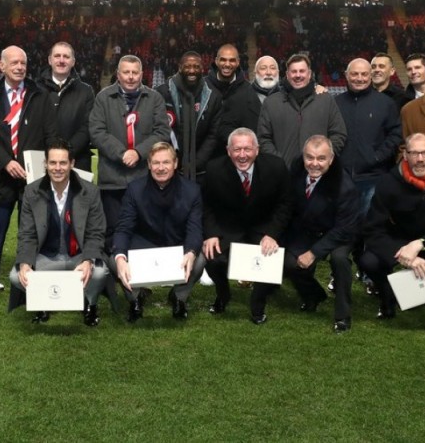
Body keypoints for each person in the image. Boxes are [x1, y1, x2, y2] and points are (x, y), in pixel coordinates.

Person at [359, 133, 425, 339]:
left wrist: (422, 244)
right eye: (414, 153)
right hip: (399, 242)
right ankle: (389, 298)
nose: (420, 159)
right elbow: (373, 229)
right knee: (368, 261)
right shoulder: (388, 182)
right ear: (405, 155)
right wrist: (403, 253)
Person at [0, 45, 58, 311]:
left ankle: (30, 288)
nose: (20, 67)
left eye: (23, 63)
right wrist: (5, 162)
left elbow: (50, 135)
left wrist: (47, 166)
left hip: (33, 179)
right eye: (14, 63)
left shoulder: (39, 95)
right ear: (1, 66)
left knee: (33, 235)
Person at [250, 135, 361, 331]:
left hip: (339, 233)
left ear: (331, 159)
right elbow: (287, 202)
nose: (314, 163)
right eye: (309, 157)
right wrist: (273, 233)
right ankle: (314, 296)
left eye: (321, 158)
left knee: (340, 260)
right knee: (289, 263)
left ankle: (342, 316)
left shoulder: (345, 187)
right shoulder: (297, 168)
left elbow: (344, 228)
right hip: (308, 228)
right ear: (303, 156)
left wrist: (313, 253)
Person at [10, 140, 108, 327]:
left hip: (78, 257)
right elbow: (27, 233)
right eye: (53, 163)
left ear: (72, 164)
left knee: (100, 272)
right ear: (45, 164)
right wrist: (25, 263)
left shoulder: (90, 191)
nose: (57, 168)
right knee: (16, 276)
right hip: (46, 257)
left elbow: (96, 232)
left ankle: (90, 304)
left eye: (63, 163)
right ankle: (43, 302)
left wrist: (88, 260)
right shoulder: (32, 192)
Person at [201, 128, 292, 320]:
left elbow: (285, 204)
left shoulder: (276, 167)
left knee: (270, 255)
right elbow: (207, 205)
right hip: (228, 229)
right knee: (212, 258)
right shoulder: (214, 169)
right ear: (228, 151)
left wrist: (272, 234)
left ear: (257, 150)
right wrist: (211, 234)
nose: (242, 155)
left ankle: (258, 304)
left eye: (247, 149)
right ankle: (223, 295)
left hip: (263, 228)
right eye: (237, 149)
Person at [110, 142, 205, 321]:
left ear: (175, 164)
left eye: (166, 162)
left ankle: (179, 297)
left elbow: (195, 229)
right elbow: (124, 227)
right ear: (149, 165)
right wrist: (120, 256)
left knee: (199, 258)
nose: (161, 168)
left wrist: (191, 252)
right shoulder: (135, 189)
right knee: (115, 258)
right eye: (156, 163)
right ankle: (135, 297)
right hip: (144, 245)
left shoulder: (192, 191)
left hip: (176, 245)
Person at [88, 54, 169, 252]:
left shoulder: (155, 98)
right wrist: (122, 153)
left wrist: (139, 153)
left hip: (144, 179)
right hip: (112, 179)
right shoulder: (103, 97)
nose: (131, 77)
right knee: (113, 231)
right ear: (118, 74)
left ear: (142, 74)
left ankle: (142, 270)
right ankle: (115, 268)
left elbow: (162, 132)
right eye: (126, 72)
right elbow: (97, 132)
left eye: (135, 72)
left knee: (144, 230)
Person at [335, 58, 402, 211]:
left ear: (371, 75)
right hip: (341, 179)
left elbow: (395, 135)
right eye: (354, 74)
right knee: (344, 221)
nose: (359, 78)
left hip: (373, 178)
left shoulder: (386, 103)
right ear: (346, 75)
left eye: (364, 74)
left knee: (370, 222)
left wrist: (377, 157)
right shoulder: (335, 103)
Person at [258, 53, 347, 169]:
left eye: (302, 71)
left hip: (319, 173)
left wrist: (322, 158)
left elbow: (338, 134)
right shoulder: (271, 103)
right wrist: (278, 162)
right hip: (282, 173)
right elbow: (263, 138)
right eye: (294, 71)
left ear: (309, 74)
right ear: (287, 75)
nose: (298, 75)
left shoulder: (326, 100)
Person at [155, 51, 222, 180]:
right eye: (187, 66)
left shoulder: (213, 96)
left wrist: (197, 162)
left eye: (196, 66)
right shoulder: (163, 93)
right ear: (180, 68)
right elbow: (159, 129)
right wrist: (171, 159)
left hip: (200, 169)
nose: (192, 70)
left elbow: (213, 134)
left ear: (202, 69)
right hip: (169, 166)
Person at [37, 42, 97, 172]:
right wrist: (51, 154)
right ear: (50, 60)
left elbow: (88, 126)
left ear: (73, 62)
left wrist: (67, 152)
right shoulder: (36, 90)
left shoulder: (86, 91)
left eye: (66, 56)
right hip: (41, 160)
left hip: (77, 160)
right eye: (57, 56)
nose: (61, 60)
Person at [204, 44, 261, 149]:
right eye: (223, 60)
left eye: (232, 60)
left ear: (238, 62)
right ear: (216, 61)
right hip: (205, 154)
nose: (227, 64)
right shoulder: (203, 87)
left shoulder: (247, 90)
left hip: (238, 154)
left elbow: (254, 128)